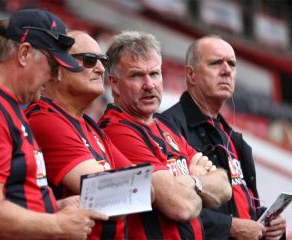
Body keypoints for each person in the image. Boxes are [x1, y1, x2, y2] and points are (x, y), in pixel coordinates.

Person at [0, 9, 107, 240]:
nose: (54, 77)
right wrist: (57, 225)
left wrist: (54, 207)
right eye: (53, 65)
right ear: (24, 54)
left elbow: (13, 196)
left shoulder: (6, 103)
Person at [99, 31, 232, 239]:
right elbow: (181, 206)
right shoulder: (116, 130)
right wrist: (199, 180)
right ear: (114, 84)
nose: (149, 85)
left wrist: (190, 183)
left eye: (154, 74)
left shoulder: (163, 125)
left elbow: (224, 187)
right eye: (136, 75)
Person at [163, 35, 286, 240]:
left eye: (232, 64)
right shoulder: (168, 128)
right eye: (215, 63)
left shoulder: (233, 139)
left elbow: (242, 206)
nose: (226, 70)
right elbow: (171, 207)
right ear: (191, 75)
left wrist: (269, 223)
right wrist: (230, 227)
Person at [25, 30, 133, 239]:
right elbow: (115, 197)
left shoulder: (91, 126)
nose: (101, 69)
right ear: (56, 70)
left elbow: (147, 189)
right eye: (90, 60)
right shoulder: (45, 120)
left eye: (102, 60)